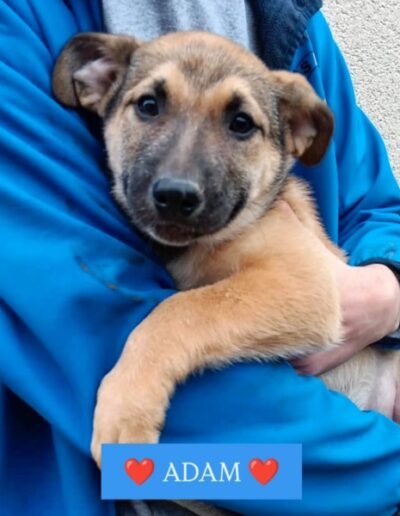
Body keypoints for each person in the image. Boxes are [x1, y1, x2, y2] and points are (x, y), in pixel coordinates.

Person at [0, 1, 399, 515]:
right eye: (150, 106)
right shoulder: (22, 21)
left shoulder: (294, 20)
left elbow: (372, 209)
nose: (180, 180)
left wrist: (388, 286)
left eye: (239, 123)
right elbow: (82, 328)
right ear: (96, 80)